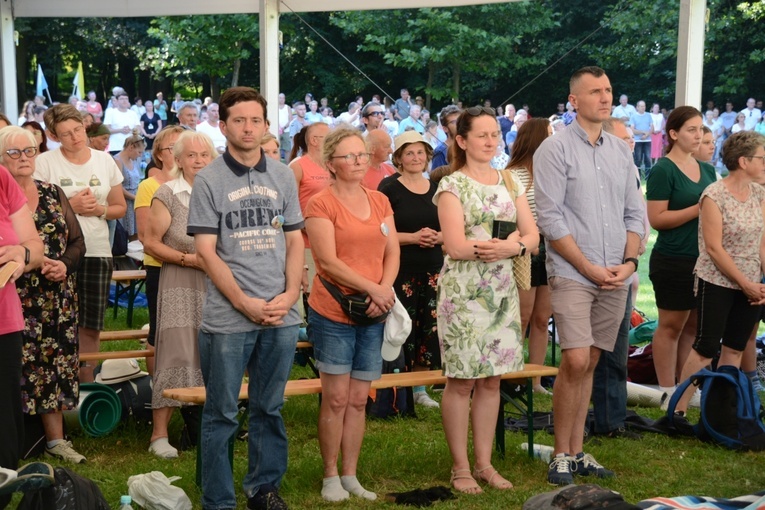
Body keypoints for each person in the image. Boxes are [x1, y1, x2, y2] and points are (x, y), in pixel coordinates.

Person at [187, 86, 303, 510]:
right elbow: (205, 252)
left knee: (269, 408)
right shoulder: (209, 179)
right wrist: (242, 302)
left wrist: (290, 293)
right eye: (239, 120)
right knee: (221, 414)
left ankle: (264, 489)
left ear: (267, 126)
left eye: (256, 120)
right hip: (229, 318)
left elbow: (295, 241)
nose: (248, 128)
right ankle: (218, 500)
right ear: (223, 126)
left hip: (280, 313)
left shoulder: (284, 174)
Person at [534, 66, 645, 485]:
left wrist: (630, 264)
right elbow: (550, 217)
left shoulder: (621, 151)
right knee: (576, 358)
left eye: (609, 90)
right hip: (573, 272)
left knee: (593, 360)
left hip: (616, 273)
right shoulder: (555, 149)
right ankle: (560, 453)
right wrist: (587, 267)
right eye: (595, 91)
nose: (605, 97)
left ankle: (578, 450)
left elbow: (635, 214)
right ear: (574, 101)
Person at [434, 106, 538, 494]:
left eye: (495, 134)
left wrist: (511, 247)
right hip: (463, 293)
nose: (491, 141)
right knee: (461, 381)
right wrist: (495, 249)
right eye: (482, 135)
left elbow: (532, 236)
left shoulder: (511, 181)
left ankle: (484, 463)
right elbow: (456, 245)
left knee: (492, 380)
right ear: (462, 141)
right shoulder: (451, 185)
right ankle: (460, 468)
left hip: (501, 291)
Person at [304, 127, 399, 502]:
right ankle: (330, 475)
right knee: (337, 398)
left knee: (360, 399)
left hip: (374, 311)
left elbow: (392, 250)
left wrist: (384, 290)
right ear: (331, 163)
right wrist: (372, 289)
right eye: (350, 156)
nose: (359, 161)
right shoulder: (320, 204)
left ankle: (351, 474)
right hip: (334, 312)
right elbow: (326, 261)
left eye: (362, 154)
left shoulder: (379, 201)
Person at [0, 127, 86, 463]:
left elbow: (78, 242)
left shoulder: (51, 193)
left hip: (52, 296)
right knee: (22, 371)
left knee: (53, 366)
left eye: (29, 151)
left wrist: (63, 264)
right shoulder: (7, 188)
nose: (24, 158)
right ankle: (28, 440)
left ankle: (55, 440)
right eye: (14, 153)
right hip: (19, 293)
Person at [672, 130, 765, 417]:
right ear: (743, 161)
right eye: (761, 158)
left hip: (751, 282)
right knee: (705, 347)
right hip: (717, 280)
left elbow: (763, 242)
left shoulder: (761, 194)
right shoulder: (714, 195)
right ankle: (678, 409)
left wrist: (760, 283)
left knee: (736, 347)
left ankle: (723, 410)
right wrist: (744, 283)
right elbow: (713, 248)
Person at [34, 104, 126, 383]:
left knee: (91, 325)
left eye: (78, 129)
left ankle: (86, 388)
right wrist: (70, 207)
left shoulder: (104, 160)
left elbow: (119, 207)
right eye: (66, 134)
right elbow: (35, 213)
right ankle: (58, 385)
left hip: (97, 249)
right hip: (58, 254)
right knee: (56, 324)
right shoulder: (45, 163)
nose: (76, 137)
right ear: (53, 135)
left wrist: (98, 210)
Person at [144, 131, 216, 459]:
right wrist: (190, 259)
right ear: (178, 159)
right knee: (176, 353)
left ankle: (208, 429)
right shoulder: (167, 193)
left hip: (219, 282)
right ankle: (159, 435)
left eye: (204, 155)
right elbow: (152, 242)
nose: (198, 161)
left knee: (214, 353)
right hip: (180, 280)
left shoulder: (223, 192)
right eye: (191, 155)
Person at [646, 106, 717, 406]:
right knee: (671, 326)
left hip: (704, 260)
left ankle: (687, 388)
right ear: (674, 134)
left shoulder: (709, 170)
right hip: (673, 260)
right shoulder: (663, 170)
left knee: (694, 327)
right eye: (691, 129)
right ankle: (666, 389)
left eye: (701, 129)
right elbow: (657, 219)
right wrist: (699, 208)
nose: (698, 135)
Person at [378, 131, 442, 408]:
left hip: (434, 269)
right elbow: (380, 232)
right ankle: (397, 390)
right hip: (401, 270)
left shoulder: (438, 188)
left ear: (428, 156)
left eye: (420, 152)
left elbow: (452, 228)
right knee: (403, 328)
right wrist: (413, 237)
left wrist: (439, 238)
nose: (415, 158)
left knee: (429, 330)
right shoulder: (389, 188)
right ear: (399, 158)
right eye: (409, 153)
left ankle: (420, 388)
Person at [0, 163, 43, 510]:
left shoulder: (2, 177)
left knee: (4, 415)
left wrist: (22, 255)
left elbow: (33, 245)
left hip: (5, 319)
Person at [506, 118, 553, 394]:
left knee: (541, 318)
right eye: (549, 134)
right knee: (521, 317)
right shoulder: (512, 175)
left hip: (551, 250)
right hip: (526, 252)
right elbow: (507, 216)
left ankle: (535, 381)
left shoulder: (552, 171)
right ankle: (513, 375)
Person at [134, 126, 184, 376]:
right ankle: (158, 391)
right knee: (160, 329)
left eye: (182, 146)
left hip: (195, 266)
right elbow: (144, 235)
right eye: (171, 147)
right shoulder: (148, 186)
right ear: (159, 155)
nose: (177, 152)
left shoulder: (200, 183)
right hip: (160, 266)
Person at [114, 134, 145, 239]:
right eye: (139, 152)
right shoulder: (117, 160)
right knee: (126, 234)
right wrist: (135, 197)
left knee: (137, 233)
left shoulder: (133, 160)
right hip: (125, 201)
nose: (140, 155)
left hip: (135, 201)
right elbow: (117, 186)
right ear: (131, 148)